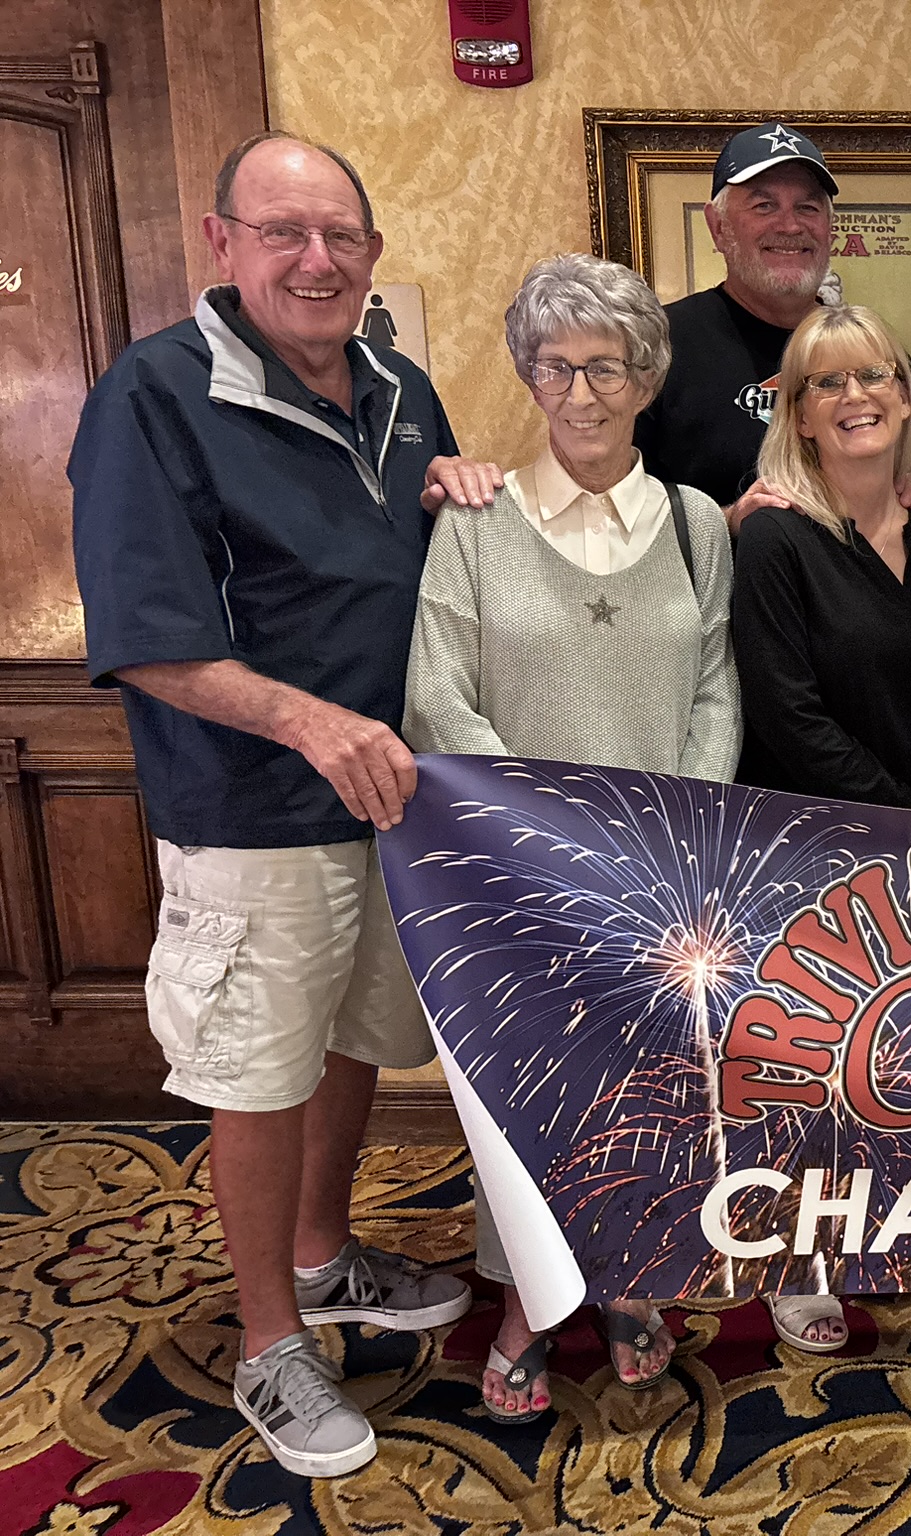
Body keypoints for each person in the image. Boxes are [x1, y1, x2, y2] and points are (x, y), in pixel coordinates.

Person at [69, 131, 474, 1480]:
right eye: (283, 232)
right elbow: (143, 636)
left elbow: (426, 563)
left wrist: (465, 490)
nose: (316, 259)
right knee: (256, 1074)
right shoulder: (154, 394)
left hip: (390, 802)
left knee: (351, 1042)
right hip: (250, 810)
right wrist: (307, 721)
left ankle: (322, 1252)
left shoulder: (400, 388)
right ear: (221, 241)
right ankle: (267, 1342)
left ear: (372, 252)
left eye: (340, 236)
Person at [403, 253, 740, 1421]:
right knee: (524, 1091)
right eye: (554, 366)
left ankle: (631, 1278)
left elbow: (715, 690)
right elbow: (437, 696)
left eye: (605, 366)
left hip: (660, 873)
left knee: (647, 1084)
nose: (580, 391)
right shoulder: (475, 519)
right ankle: (525, 1302)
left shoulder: (695, 525)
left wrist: (674, 834)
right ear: (528, 375)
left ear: (645, 378)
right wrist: (538, 842)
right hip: (516, 874)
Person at [728, 302, 911, 1351]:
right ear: (796, 413)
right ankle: (797, 1256)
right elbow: (786, 716)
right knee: (809, 1065)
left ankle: (906, 1233)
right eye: (827, 382)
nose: (856, 396)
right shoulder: (776, 538)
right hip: (823, 841)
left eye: (876, 375)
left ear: (908, 399)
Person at [631, 121, 911, 527]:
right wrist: (728, 522)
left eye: (807, 207)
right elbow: (621, 513)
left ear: (829, 227)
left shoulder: (872, 352)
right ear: (718, 227)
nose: (790, 226)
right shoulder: (657, 347)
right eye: (764, 206)